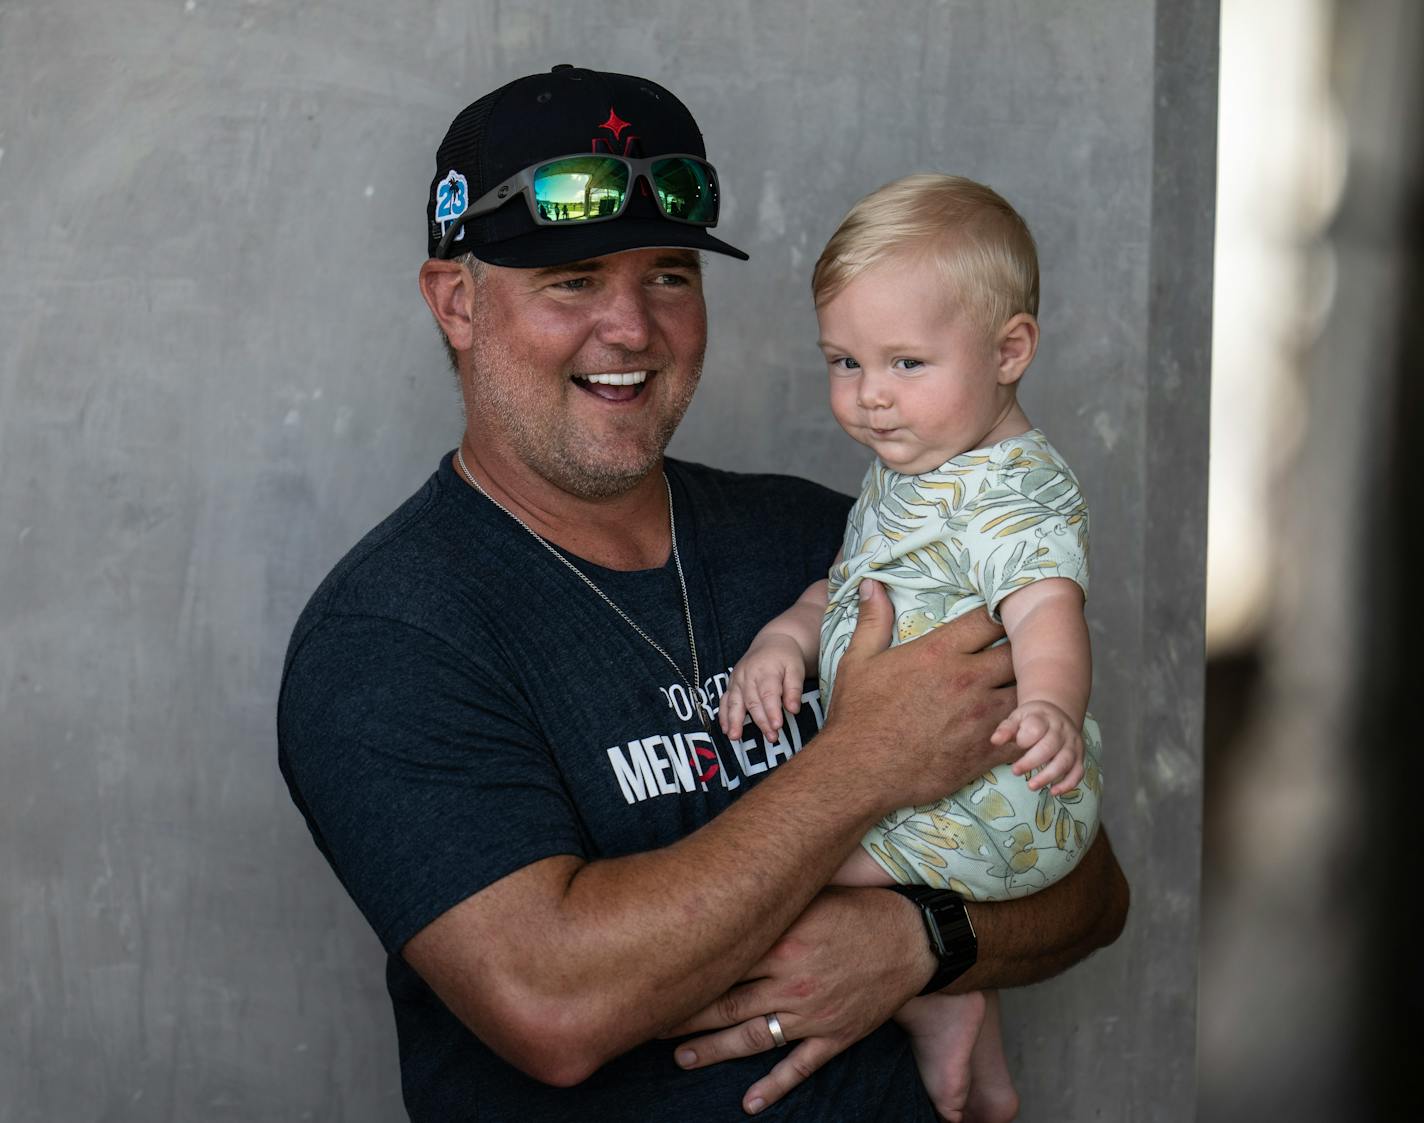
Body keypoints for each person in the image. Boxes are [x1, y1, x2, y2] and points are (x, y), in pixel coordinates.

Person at [277, 66, 1129, 1122]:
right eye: (574, 279)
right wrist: (864, 761)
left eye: (669, 273)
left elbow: (1088, 886)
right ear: (457, 301)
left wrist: (919, 944)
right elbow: (550, 1002)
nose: (632, 327)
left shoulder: (842, 533)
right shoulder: (391, 634)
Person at [718, 174, 1102, 1120]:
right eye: (844, 363)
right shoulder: (918, 470)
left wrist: (1051, 703)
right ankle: (971, 1029)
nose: (870, 398)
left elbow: (1047, 610)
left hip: (1001, 790)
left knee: (777, 884)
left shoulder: (1010, 491)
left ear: (1010, 350)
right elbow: (857, 588)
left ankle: (934, 993)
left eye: (906, 364)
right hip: (942, 786)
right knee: (793, 861)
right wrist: (787, 638)